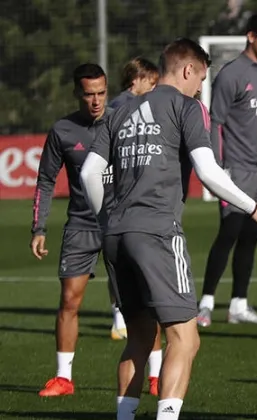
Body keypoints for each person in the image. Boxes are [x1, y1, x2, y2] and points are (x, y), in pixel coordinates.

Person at [80, 37, 257, 420]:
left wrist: (107, 219)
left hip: (116, 234)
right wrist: (254, 206)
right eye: (201, 79)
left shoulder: (119, 110)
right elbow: (208, 171)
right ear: (188, 70)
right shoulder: (187, 108)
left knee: (139, 339)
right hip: (156, 232)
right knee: (185, 338)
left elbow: (89, 172)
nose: (200, 89)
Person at [30, 63, 161, 397]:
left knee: (144, 300)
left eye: (102, 93)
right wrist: (39, 227)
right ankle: (63, 379)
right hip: (82, 224)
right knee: (69, 300)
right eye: (89, 94)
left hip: (125, 223)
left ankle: (156, 375)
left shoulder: (126, 121)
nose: (96, 100)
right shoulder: (62, 130)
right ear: (77, 92)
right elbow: (46, 180)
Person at [197, 12, 257, 327]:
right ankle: (205, 304)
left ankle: (238, 304)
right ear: (251, 36)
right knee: (229, 233)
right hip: (237, 172)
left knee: (251, 237)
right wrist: (216, 166)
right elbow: (215, 122)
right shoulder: (231, 74)